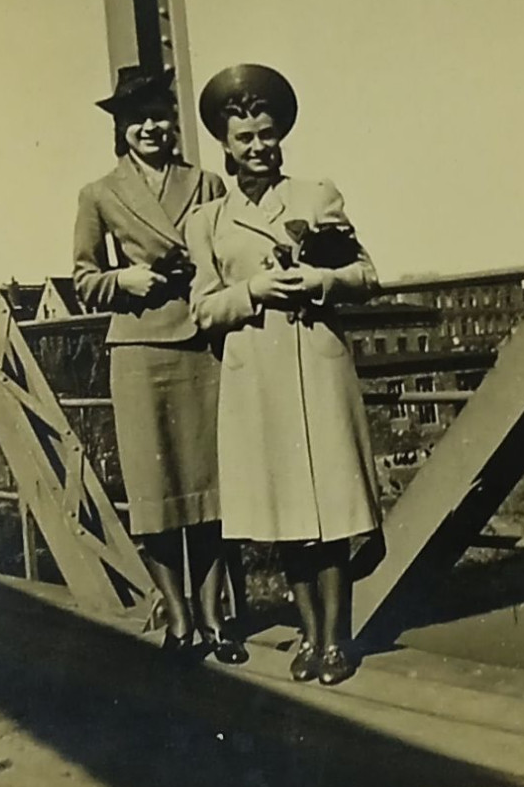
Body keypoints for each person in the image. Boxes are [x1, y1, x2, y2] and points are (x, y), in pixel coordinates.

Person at [184, 64, 381, 686]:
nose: (258, 148)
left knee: (331, 506)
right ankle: (309, 636)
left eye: (267, 135)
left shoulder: (316, 194)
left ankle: (335, 642)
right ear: (225, 143)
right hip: (257, 379)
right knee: (286, 513)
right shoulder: (207, 222)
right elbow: (203, 309)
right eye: (244, 138)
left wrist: (320, 281)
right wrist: (254, 290)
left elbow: (367, 274)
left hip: (316, 367)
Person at [73, 65, 247, 664]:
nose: (150, 127)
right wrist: (124, 279)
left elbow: (230, 260)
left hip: (202, 346)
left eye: (159, 116)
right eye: (136, 119)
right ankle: (178, 620)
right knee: (155, 492)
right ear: (121, 130)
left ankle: (215, 617)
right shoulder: (98, 194)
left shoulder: (207, 185)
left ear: (173, 124)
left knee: (211, 491)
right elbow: (83, 279)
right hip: (140, 350)